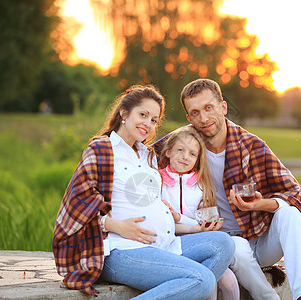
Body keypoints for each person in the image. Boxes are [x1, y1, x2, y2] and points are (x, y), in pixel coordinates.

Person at [52, 85, 235, 298]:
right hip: (123, 250)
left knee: (223, 243)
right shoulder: (102, 150)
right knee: (202, 279)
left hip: (165, 245)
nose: (148, 124)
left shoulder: (147, 154)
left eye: (154, 120)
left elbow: (180, 152)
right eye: (143, 115)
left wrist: (178, 218)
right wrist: (116, 225)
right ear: (124, 113)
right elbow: (75, 205)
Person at [170, 78, 301, 300]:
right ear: (189, 118)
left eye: (209, 108)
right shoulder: (183, 146)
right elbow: (140, 153)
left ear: (223, 107)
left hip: (260, 239)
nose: (204, 118)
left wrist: (260, 204)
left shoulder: (251, 145)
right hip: (219, 243)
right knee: (232, 245)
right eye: (196, 112)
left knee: (290, 213)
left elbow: (297, 195)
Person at [158, 126, 240, 300]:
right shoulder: (157, 181)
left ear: (198, 159)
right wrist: (191, 225)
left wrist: (207, 224)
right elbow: (160, 224)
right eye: (180, 150)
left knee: (230, 282)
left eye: (192, 154)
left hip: (199, 243)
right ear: (168, 152)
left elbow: (204, 224)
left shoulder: (201, 185)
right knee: (209, 285)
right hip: (169, 246)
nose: (185, 156)